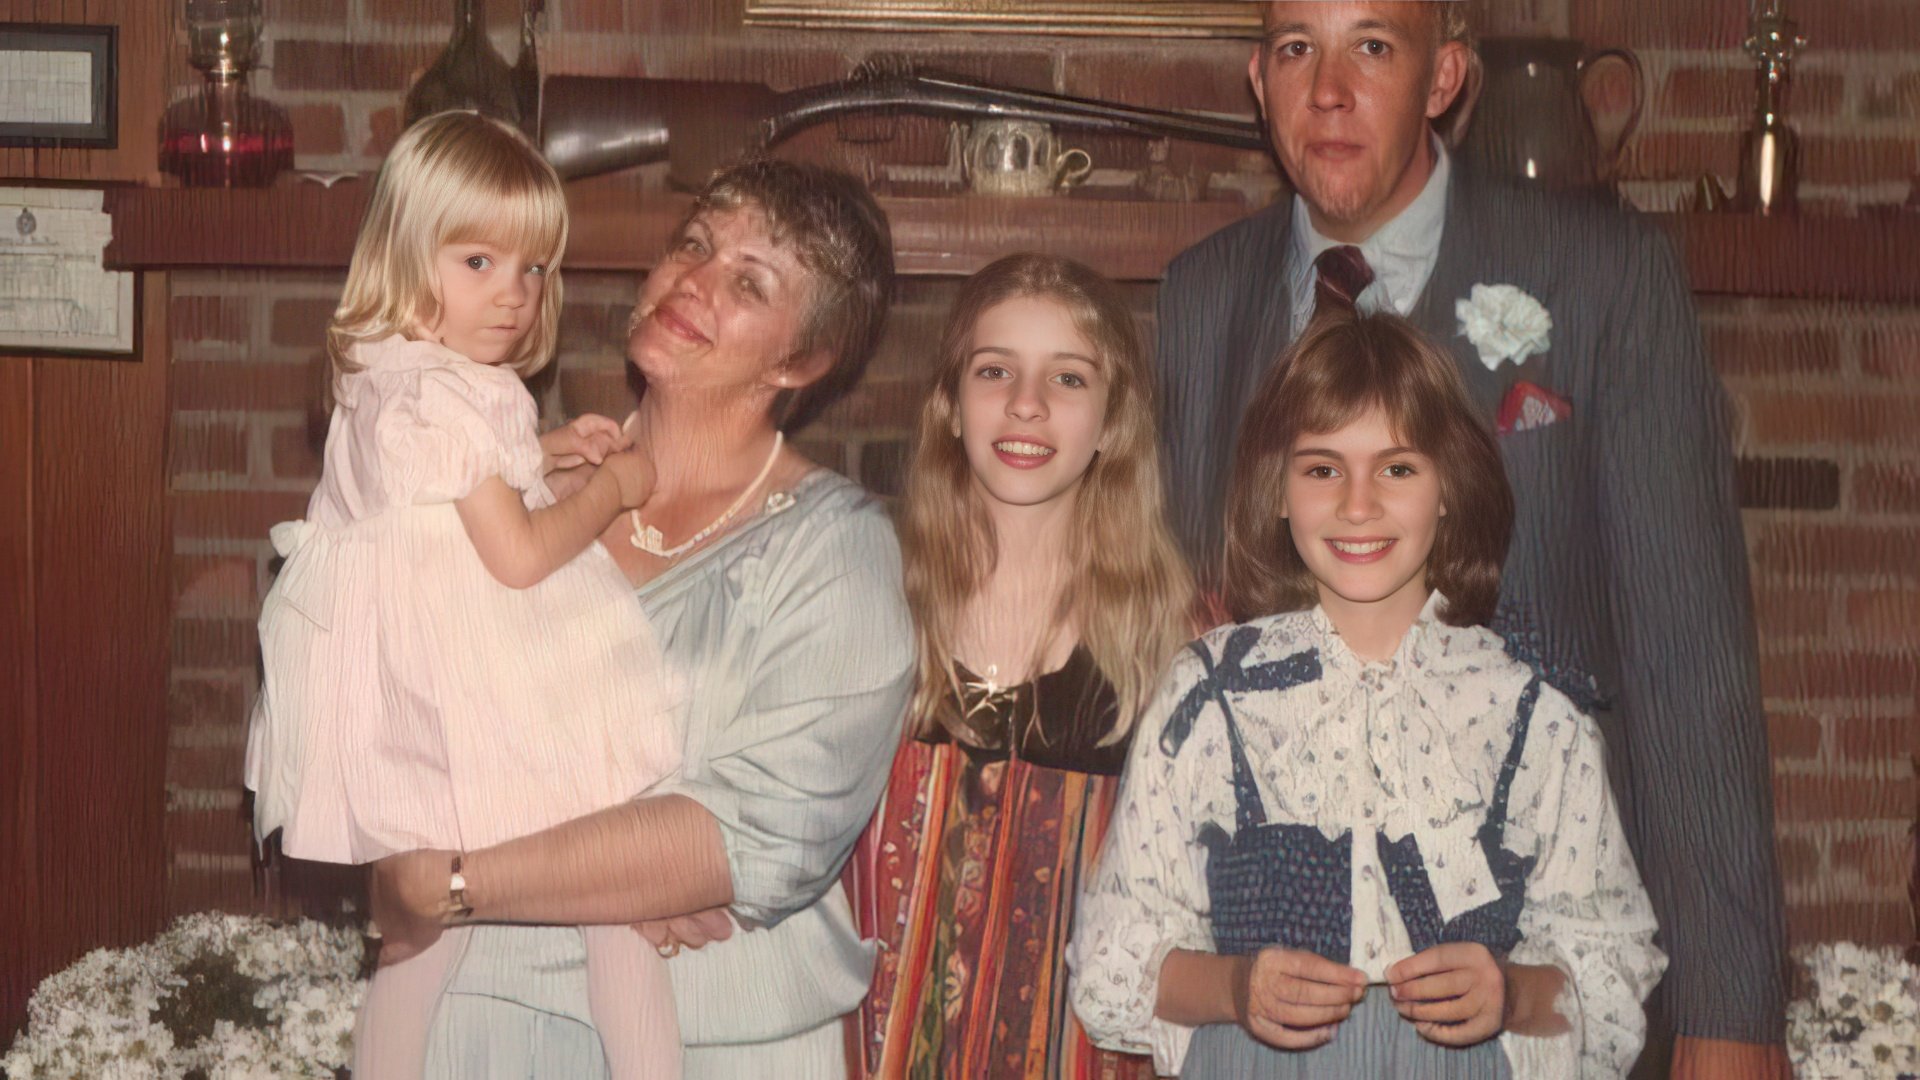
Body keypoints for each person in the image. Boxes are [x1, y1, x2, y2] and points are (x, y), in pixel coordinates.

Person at [1152, 4, 1785, 1075]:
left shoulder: (1601, 273)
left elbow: (1690, 650)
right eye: (1299, 50)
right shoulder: (1203, 295)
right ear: (1260, 80)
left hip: (1531, 972)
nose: (1332, 90)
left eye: (1374, 48)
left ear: (1444, 78)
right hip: (1272, 1004)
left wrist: (1732, 1011)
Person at [362, 158, 914, 1078]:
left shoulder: (836, 554)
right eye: (693, 244)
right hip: (474, 1022)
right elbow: (380, 735)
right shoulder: (518, 496)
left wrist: (455, 879)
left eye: (749, 281)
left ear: (799, 361)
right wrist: (620, 863)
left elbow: (755, 833)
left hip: (715, 1040)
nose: (693, 280)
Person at [1072, 306, 1666, 1078]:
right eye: (1322, 468)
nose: (1359, 503)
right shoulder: (1213, 697)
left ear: (1449, 486)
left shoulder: (1532, 714)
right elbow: (1110, 956)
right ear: (1278, 491)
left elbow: (1613, 968)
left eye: (1397, 468)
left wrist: (1511, 994)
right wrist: (1237, 985)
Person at [243, 110, 685, 1079]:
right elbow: (520, 557)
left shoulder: (384, 369)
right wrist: (609, 488)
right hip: (472, 683)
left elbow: (443, 504)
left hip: (406, 692)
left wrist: (545, 453)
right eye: (479, 262)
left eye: (532, 269)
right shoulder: (452, 397)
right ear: (408, 251)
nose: (515, 296)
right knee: (613, 900)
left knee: (416, 939)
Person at [851, 254, 1194, 1078]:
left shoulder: (1169, 638)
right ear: (951, 405)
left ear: (1114, 419)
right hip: (872, 1047)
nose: (1026, 404)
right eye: (995, 370)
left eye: (1068, 378)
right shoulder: (870, 594)